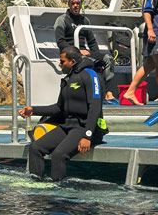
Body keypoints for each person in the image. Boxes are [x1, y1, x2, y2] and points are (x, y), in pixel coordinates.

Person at [19, 46, 107, 181]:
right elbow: (58, 108)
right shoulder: (68, 79)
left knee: (59, 155)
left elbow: (95, 106)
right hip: (68, 126)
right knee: (36, 148)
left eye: (62, 61)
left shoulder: (90, 75)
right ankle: (36, 187)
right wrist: (33, 110)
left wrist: (87, 136)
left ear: (72, 61)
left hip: (85, 127)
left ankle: (59, 195)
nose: (59, 64)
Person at [54, 0, 116, 102]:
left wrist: (99, 58)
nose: (75, 6)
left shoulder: (85, 20)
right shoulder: (62, 20)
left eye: (78, 3)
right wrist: (77, 52)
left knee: (108, 59)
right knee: (87, 62)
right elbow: (60, 42)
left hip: (84, 53)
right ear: (69, 4)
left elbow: (92, 42)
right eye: (73, 3)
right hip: (70, 54)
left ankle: (108, 93)